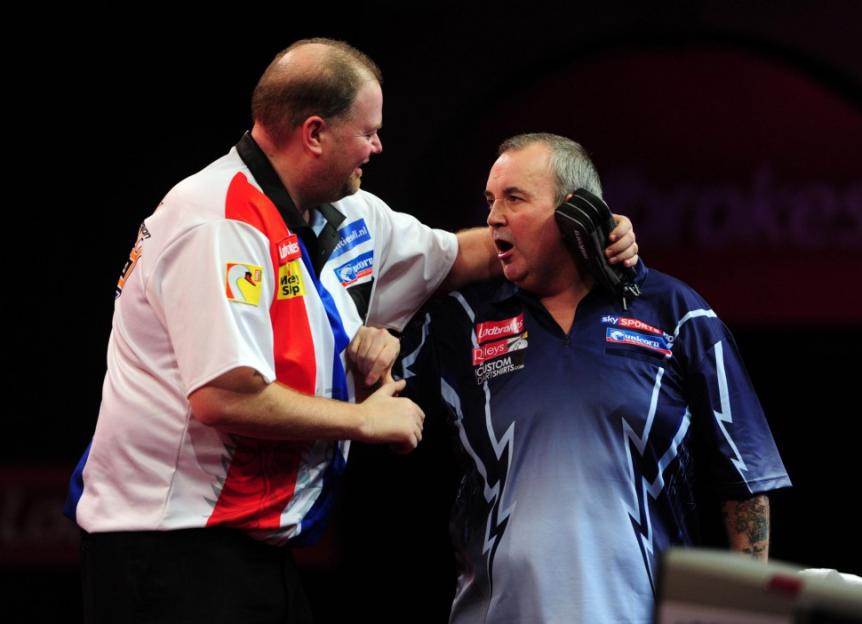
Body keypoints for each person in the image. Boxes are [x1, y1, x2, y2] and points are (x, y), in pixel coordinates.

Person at [63, 38, 641, 623]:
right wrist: (362, 419)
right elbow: (223, 395)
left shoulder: (349, 214)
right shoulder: (218, 221)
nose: (378, 146)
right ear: (314, 134)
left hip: (257, 552)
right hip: (168, 551)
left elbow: (461, 255)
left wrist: (586, 230)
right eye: (368, 132)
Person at [398, 133, 791, 623]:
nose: (494, 216)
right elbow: (365, 400)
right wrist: (379, 335)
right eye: (490, 200)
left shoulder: (677, 313)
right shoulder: (459, 321)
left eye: (514, 198)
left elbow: (744, 478)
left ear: (574, 211)